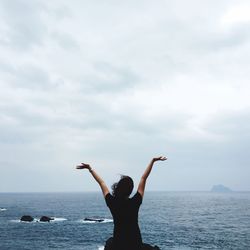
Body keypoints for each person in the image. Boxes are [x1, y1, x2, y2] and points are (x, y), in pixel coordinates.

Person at [76, 156, 167, 250]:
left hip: (118, 243)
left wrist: (90, 168)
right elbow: (144, 178)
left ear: (118, 188)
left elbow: (101, 183)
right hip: (135, 243)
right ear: (130, 190)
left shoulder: (111, 202)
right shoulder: (135, 202)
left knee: (109, 242)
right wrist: (153, 161)